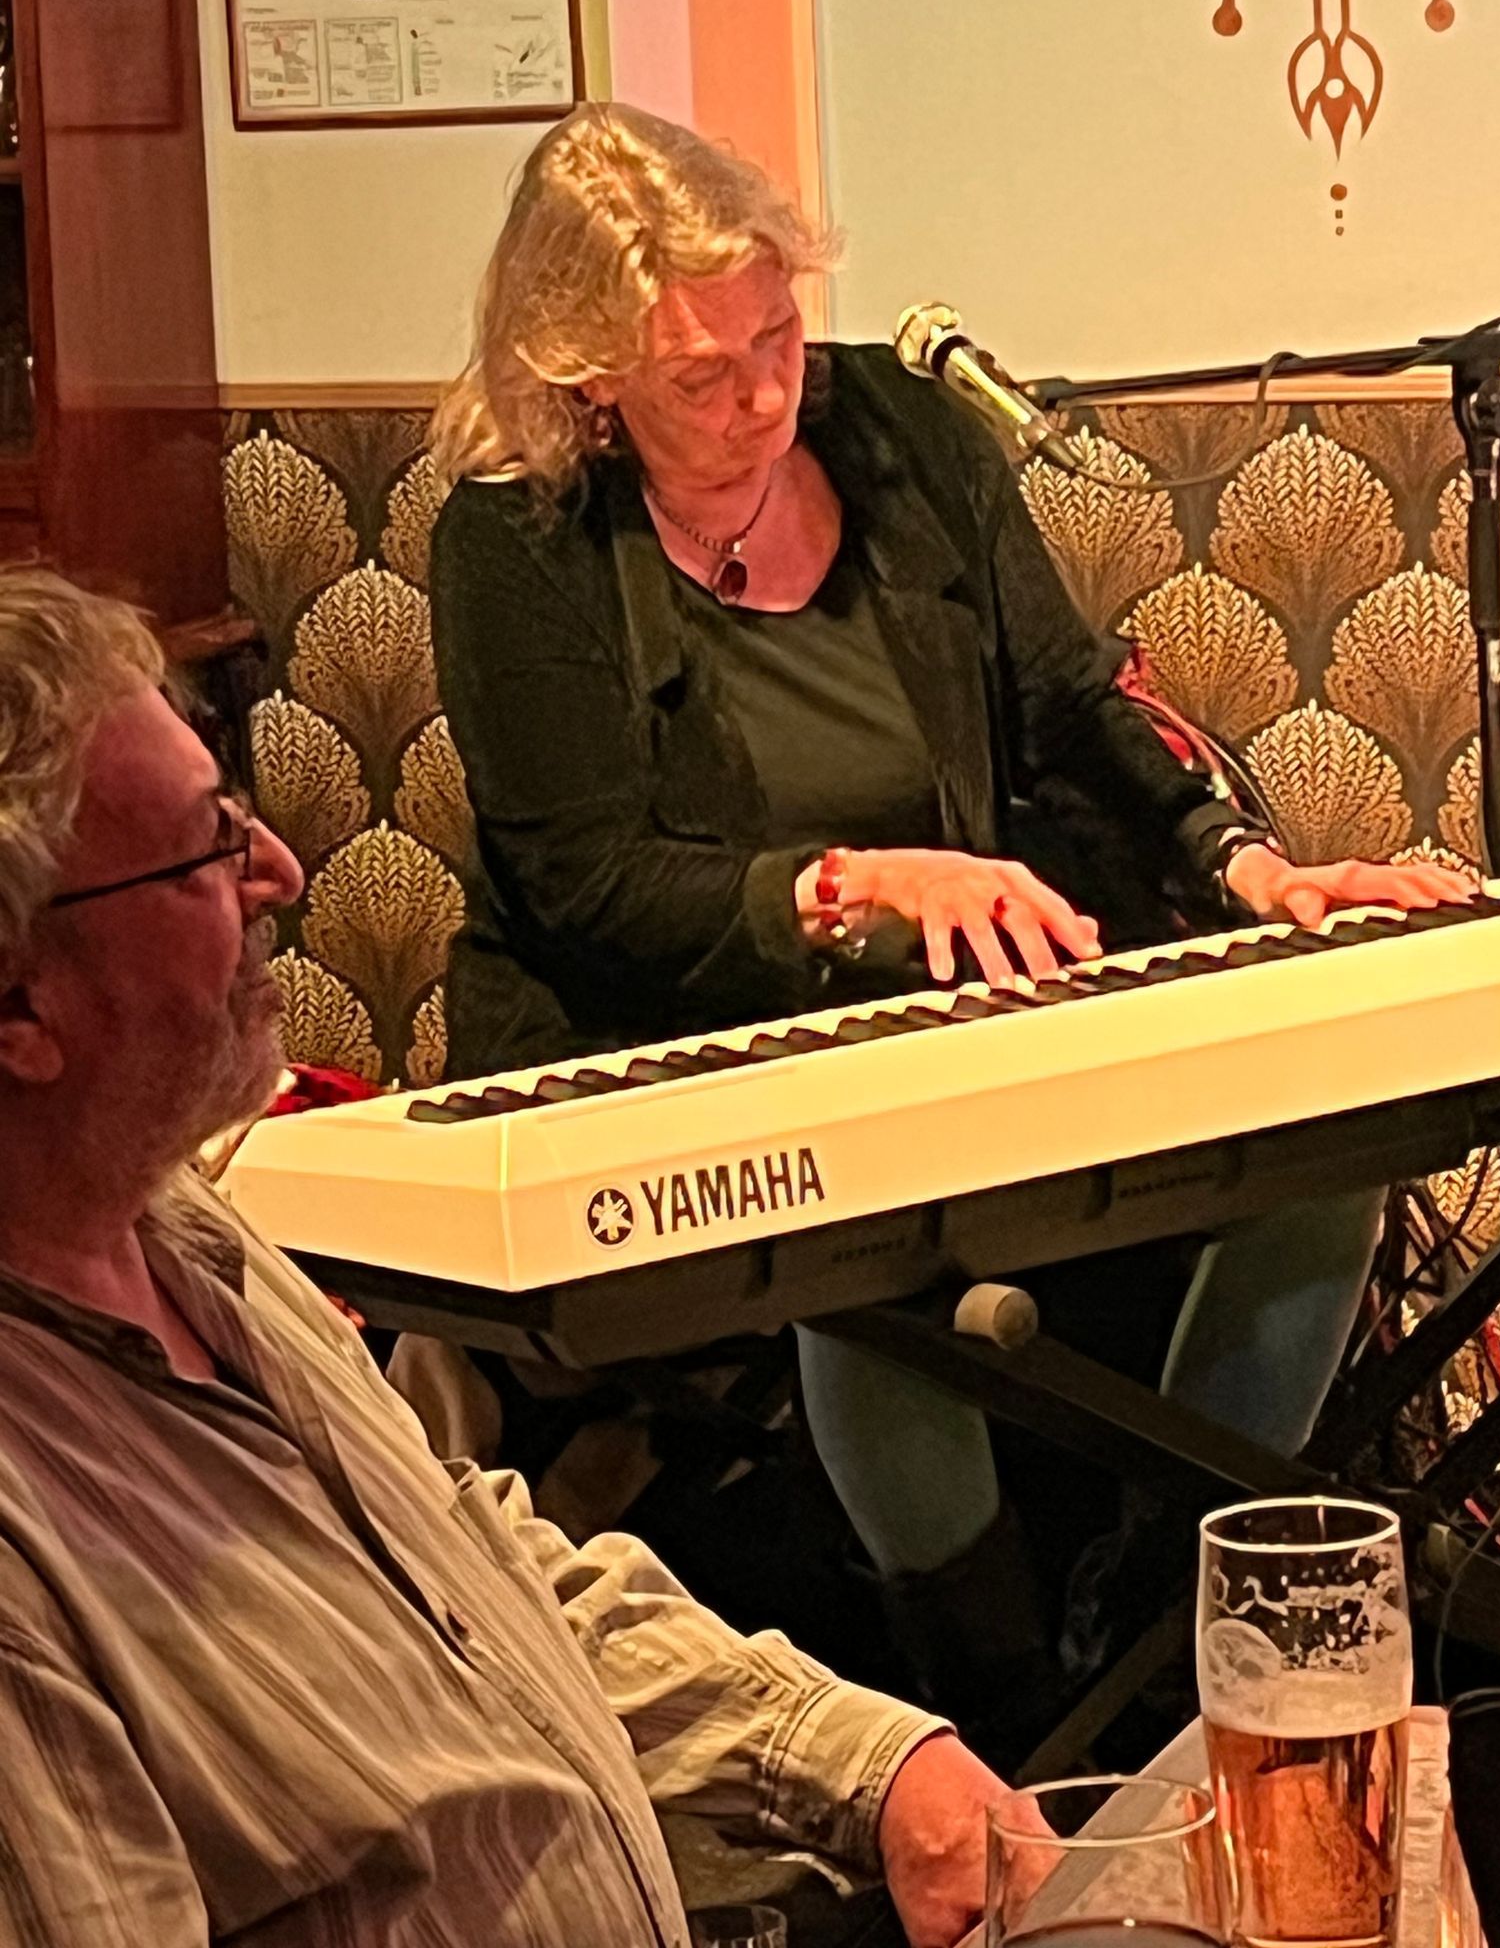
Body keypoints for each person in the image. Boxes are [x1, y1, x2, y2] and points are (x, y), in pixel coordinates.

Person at [428, 102, 1473, 1728]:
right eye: (701, 376)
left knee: (1326, 1162)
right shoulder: (516, 539)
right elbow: (591, 886)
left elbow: (1069, 701)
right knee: (876, 1252)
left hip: (949, 1036)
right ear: (587, 382)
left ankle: (1160, 1630)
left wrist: (1246, 868)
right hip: (679, 1065)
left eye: (777, 337)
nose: (763, 396)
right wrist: (856, 889)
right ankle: (997, 1702)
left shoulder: (901, 433)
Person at [0, 566, 1006, 1948]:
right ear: (18, 1006)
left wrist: (867, 1764)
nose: (280, 871)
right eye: (202, 848)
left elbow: (465, 1568)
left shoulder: (185, 1226)